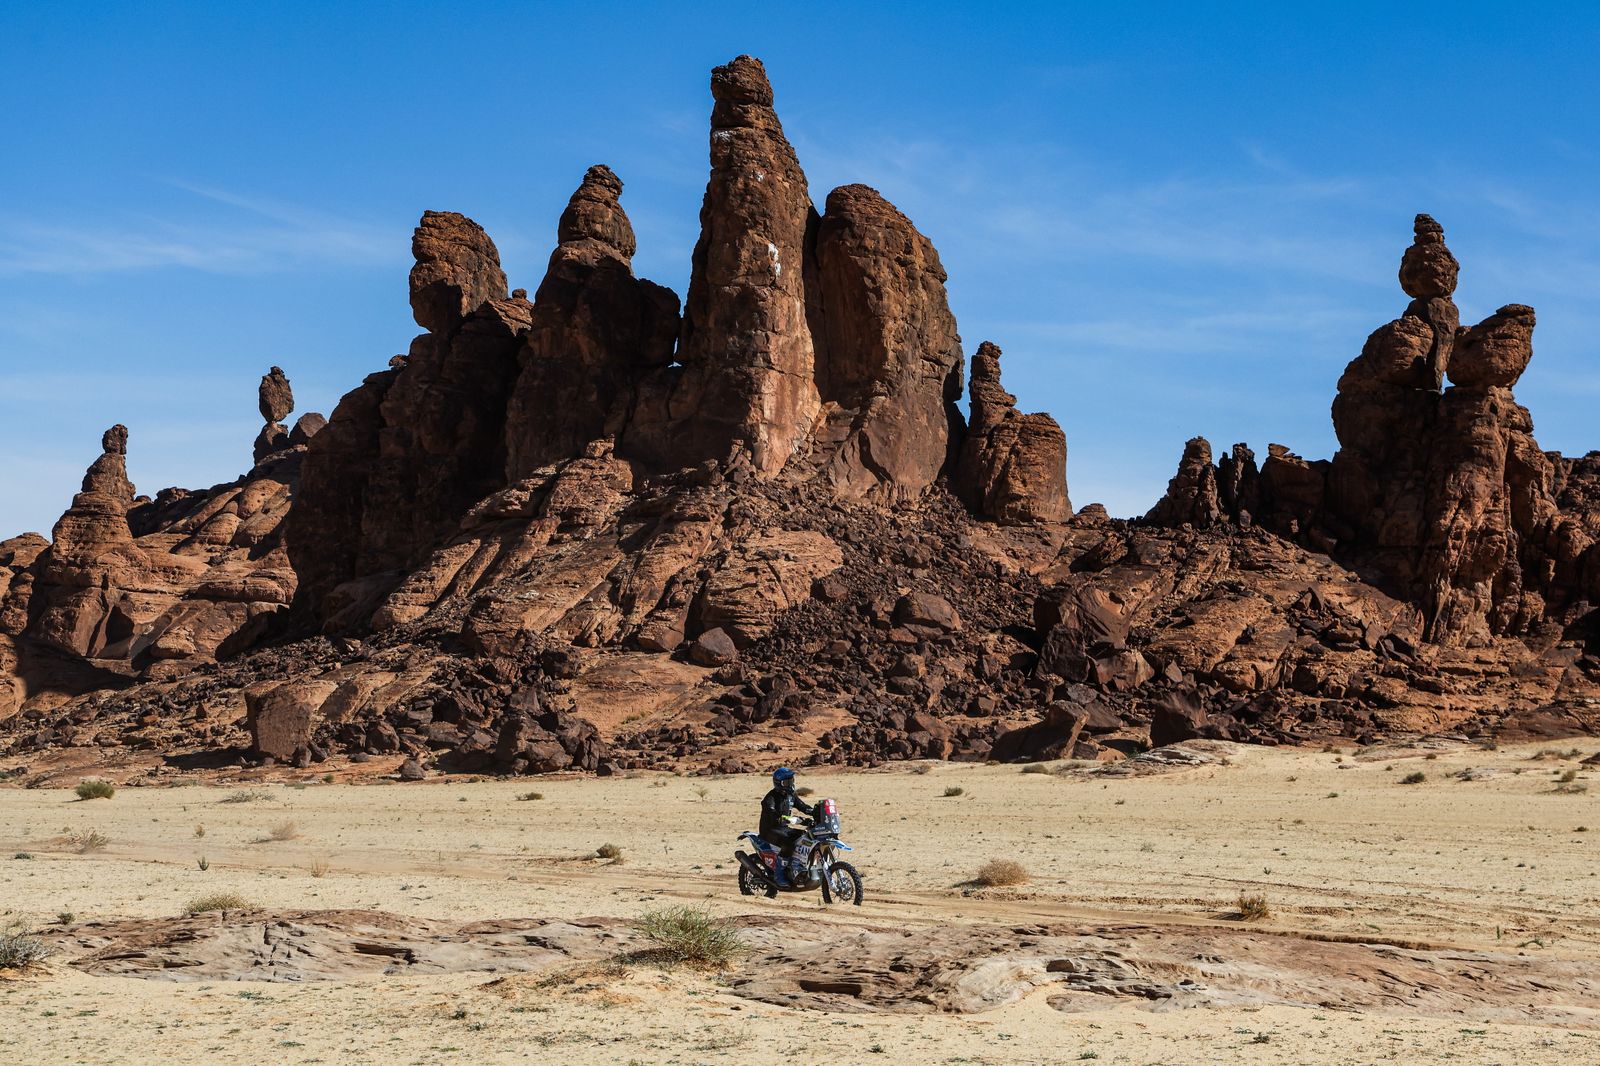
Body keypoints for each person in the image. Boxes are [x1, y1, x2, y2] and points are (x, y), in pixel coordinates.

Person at [759, 767, 814, 886]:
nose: (790, 784)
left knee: (804, 837)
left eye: (791, 780)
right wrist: (782, 817)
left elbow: (802, 806)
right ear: (779, 784)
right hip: (769, 830)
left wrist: (816, 811)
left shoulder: (791, 795)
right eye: (787, 782)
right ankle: (779, 874)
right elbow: (771, 812)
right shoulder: (770, 798)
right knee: (789, 843)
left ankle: (796, 866)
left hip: (783, 828)